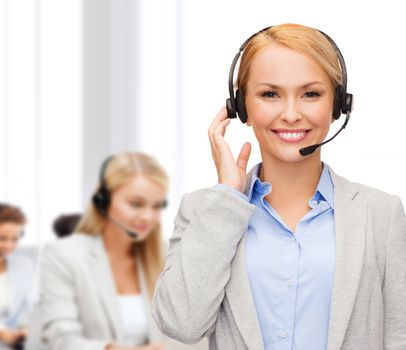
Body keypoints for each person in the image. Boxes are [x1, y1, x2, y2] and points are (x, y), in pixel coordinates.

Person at [151, 24, 406, 350]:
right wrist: (229, 196)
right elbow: (180, 325)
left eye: (310, 94)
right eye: (270, 94)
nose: (290, 114)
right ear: (241, 107)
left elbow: (400, 336)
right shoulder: (204, 211)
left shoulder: (381, 214)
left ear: (338, 105)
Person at [39, 152, 169, 350]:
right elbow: (61, 339)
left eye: (157, 206)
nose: (148, 217)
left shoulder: (165, 255)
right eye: (136, 204)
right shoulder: (63, 254)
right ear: (103, 201)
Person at [0, 203, 35, 350]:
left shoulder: (24, 266)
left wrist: (26, 329)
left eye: (15, 239)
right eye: (2, 238)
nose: (8, 246)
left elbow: (33, 305)